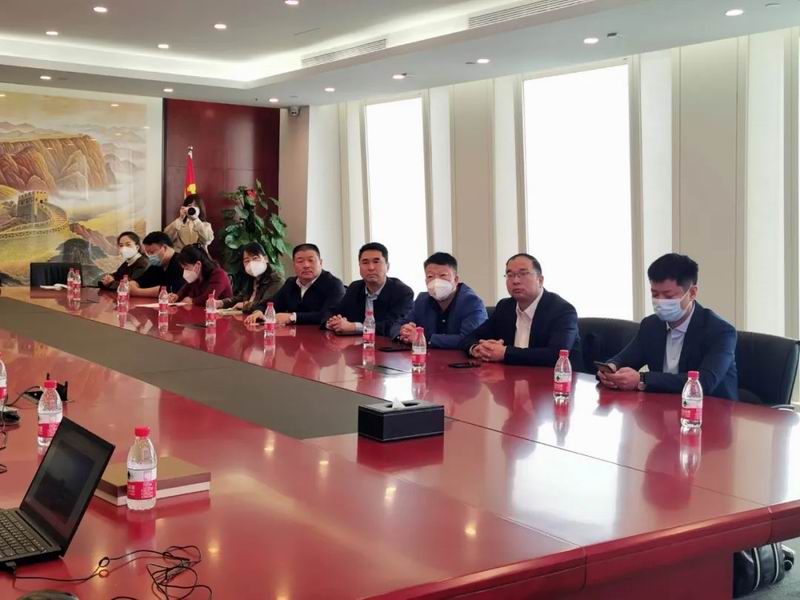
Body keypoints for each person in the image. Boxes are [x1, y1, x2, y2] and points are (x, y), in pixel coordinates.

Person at [598, 253, 738, 400]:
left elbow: (705, 382)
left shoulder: (720, 331)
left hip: (710, 408)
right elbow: (624, 358)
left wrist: (642, 379)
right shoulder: (651, 325)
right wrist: (610, 369)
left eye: (668, 296)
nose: (660, 301)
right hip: (661, 406)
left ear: (692, 293)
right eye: (655, 294)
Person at [459, 253, 580, 366]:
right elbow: (470, 338)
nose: (515, 281)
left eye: (523, 274)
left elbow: (556, 355)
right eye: (510, 275)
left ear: (540, 280)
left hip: (551, 379)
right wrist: (477, 349)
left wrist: (505, 353)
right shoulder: (505, 307)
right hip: (509, 377)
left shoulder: (562, 310)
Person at [391, 252, 487, 349]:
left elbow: (469, 339)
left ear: (456, 279)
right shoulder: (422, 299)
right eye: (430, 276)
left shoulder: (471, 302)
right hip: (428, 356)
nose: (436, 281)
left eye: (443, 275)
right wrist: (404, 333)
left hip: (460, 358)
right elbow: (397, 325)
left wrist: (423, 338)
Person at [323, 242, 413, 336]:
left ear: (387, 266)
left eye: (376, 262)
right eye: (365, 262)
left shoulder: (402, 292)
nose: (371, 267)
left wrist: (354, 327)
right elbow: (332, 312)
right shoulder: (355, 287)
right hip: (355, 343)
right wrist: (333, 323)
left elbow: (392, 326)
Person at [245, 243, 345, 326]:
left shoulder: (334, 284)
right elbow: (271, 304)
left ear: (321, 262)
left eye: (311, 260)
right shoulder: (291, 283)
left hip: (323, 340)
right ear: (294, 265)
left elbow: (328, 315)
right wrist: (259, 312)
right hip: (294, 337)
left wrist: (293, 317)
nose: (306, 265)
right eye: (300, 261)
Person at [216, 242, 283, 314]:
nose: (251, 263)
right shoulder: (251, 278)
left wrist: (245, 305)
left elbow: (265, 305)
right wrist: (221, 303)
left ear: (266, 259)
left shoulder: (276, 279)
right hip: (247, 316)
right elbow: (240, 298)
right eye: (247, 261)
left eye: (255, 258)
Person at [167, 244, 233, 306]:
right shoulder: (196, 277)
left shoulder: (219, 275)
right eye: (183, 268)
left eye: (186, 268)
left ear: (198, 264)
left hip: (221, 313)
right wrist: (176, 296)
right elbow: (184, 290)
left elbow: (209, 298)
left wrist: (193, 301)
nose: (185, 271)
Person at [128, 232, 185, 297]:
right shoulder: (157, 265)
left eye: (152, 252)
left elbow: (171, 289)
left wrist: (137, 292)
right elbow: (141, 280)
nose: (150, 256)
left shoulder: (181, 262)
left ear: (165, 248)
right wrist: (132, 284)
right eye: (148, 253)